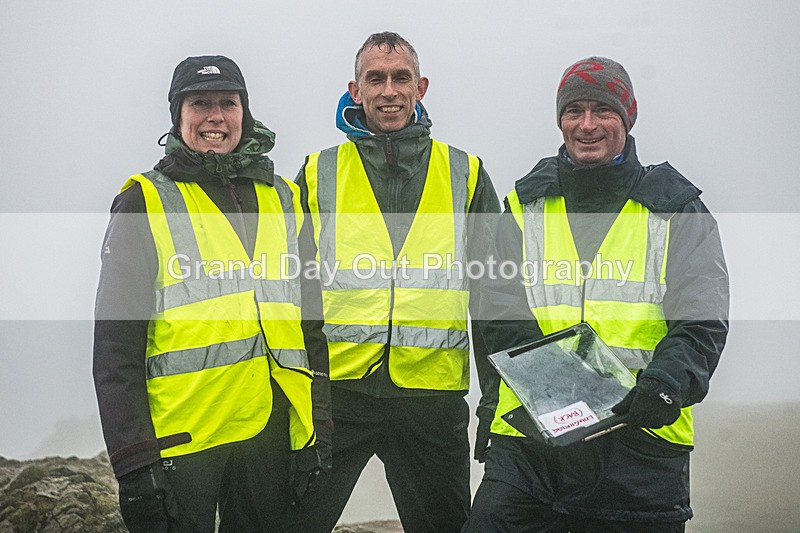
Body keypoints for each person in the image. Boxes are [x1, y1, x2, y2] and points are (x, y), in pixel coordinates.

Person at [465, 57, 729, 532]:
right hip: (528, 445)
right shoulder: (523, 205)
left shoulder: (678, 210)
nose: (586, 125)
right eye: (574, 111)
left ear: (627, 118)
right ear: (560, 119)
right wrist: (547, 390)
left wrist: (666, 386)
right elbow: (495, 308)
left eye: (602, 111)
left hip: (638, 445)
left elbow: (701, 320)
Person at [93, 55, 331, 532]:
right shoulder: (145, 201)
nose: (215, 117)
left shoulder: (285, 200)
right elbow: (115, 349)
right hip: (182, 445)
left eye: (228, 102)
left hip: (268, 436)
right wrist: (134, 464)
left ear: (245, 112)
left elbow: (310, 329)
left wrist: (318, 432)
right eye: (200, 103)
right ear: (177, 117)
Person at [294, 32, 501, 532]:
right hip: (337, 399)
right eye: (376, 78)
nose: (389, 90)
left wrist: (495, 397)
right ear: (356, 89)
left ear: (421, 86)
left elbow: (496, 298)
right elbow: (290, 292)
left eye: (400, 77)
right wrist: (300, 394)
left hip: (431, 400)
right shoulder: (317, 172)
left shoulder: (466, 174)